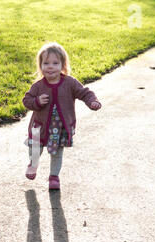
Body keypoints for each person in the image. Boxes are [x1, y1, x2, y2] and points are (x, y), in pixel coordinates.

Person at [23, 42, 102, 190]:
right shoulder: (38, 86)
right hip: (39, 126)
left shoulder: (70, 83)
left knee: (57, 153)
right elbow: (26, 100)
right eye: (46, 63)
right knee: (35, 148)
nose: (50, 66)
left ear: (62, 65)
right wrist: (37, 101)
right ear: (40, 66)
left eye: (55, 63)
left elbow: (85, 93)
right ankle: (33, 165)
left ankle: (54, 177)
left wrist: (93, 102)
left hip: (59, 127)